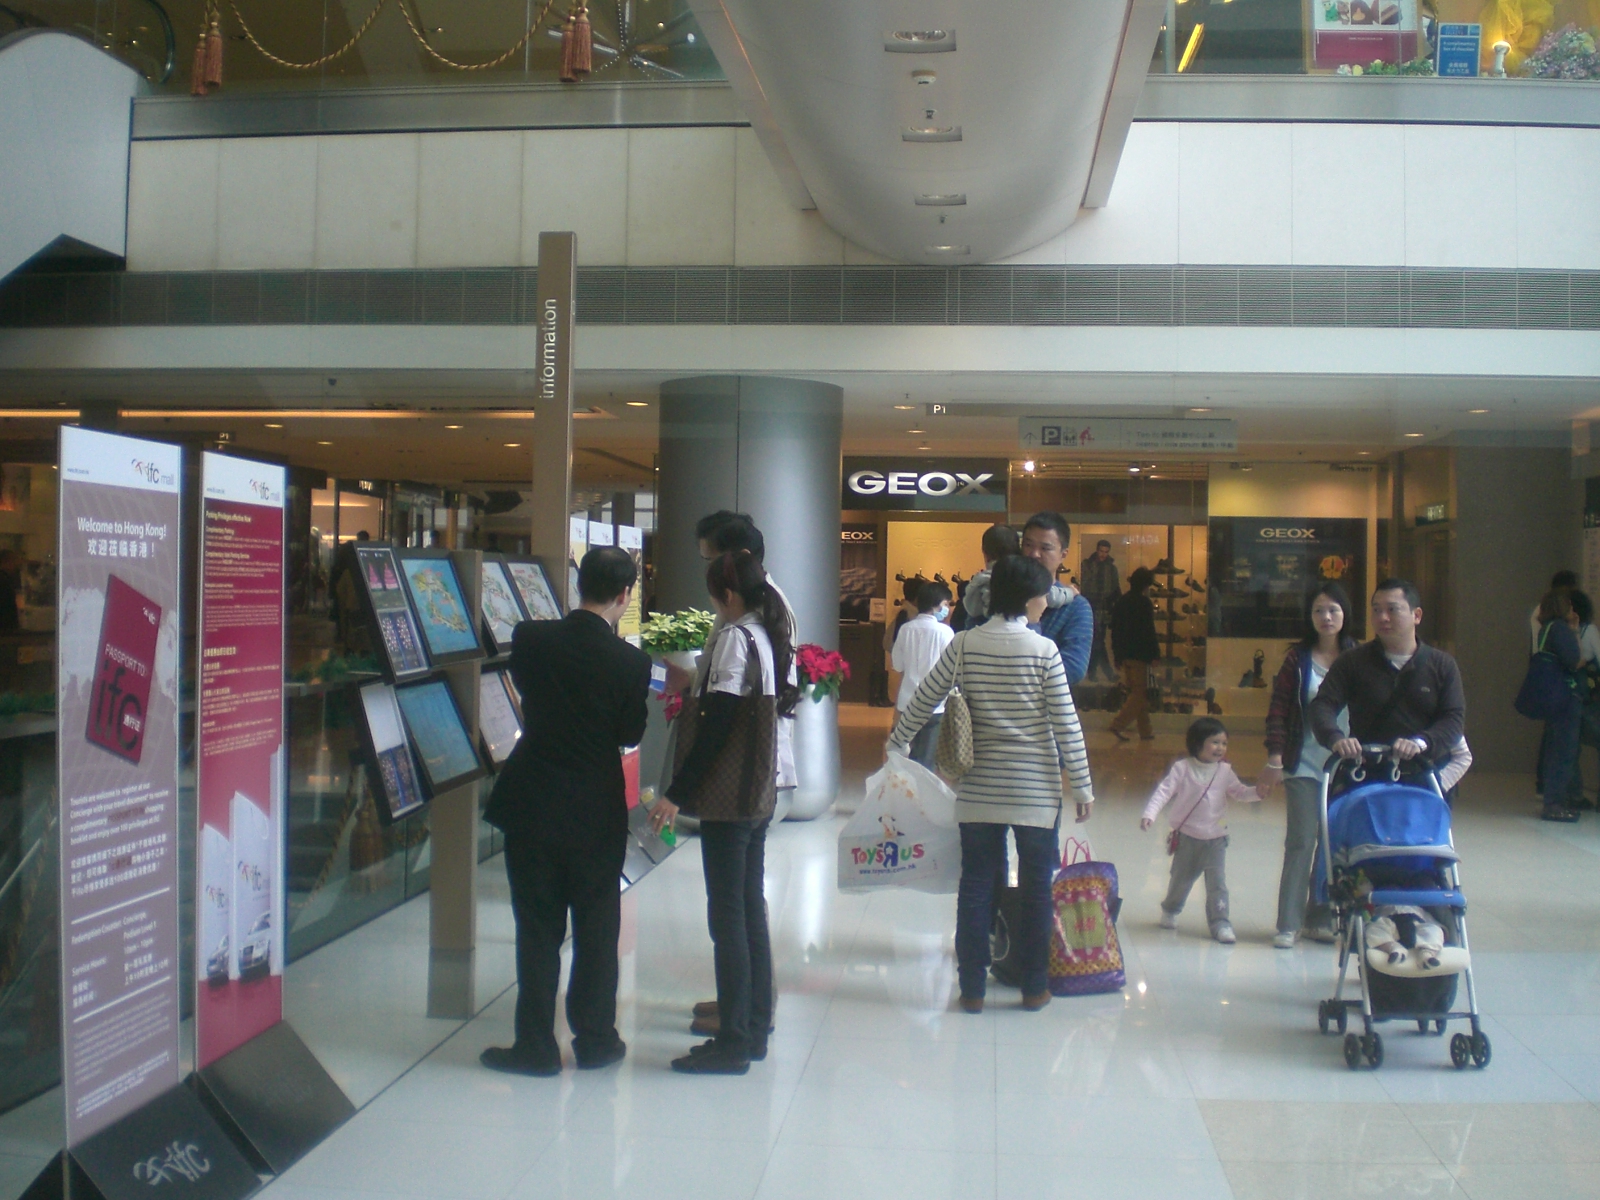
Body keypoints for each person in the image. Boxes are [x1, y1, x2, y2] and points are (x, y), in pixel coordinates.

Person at [887, 555, 1095, 1013]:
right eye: (1043, 593)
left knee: (976, 886)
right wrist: (1082, 785)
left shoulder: (964, 644)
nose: (1046, 601)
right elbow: (1066, 723)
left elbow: (925, 698)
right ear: (1027, 598)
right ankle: (1034, 985)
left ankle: (973, 989)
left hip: (978, 789)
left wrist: (898, 741)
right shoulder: (1044, 652)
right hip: (1035, 793)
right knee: (1039, 888)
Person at [480, 547, 652, 1076]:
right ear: (625, 596)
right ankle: (596, 1039)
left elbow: (529, 694)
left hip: (531, 800)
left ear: (579, 584)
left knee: (536, 928)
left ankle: (534, 1046)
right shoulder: (631, 662)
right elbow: (628, 734)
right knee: (598, 927)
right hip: (596, 810)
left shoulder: (532, 639)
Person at [653, 550, 799, 1074]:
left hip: (730, 794)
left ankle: (734, 1039)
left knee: (728, 918)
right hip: (758, 792)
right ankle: (754, 1025)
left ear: (728, 595)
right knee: (747, 907)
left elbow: (718, 723)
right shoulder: (771, 631)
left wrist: (677, 790)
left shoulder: (737, 638)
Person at [1257, 583, 1357, 949]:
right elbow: (1280, 708)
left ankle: (1320, 918)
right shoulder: (1297, 660)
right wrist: (1275, 756)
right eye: (1318, 610)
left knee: (1333, 844)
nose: (1326, 617)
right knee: (1301, 840)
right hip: (1303, 763)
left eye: (1333, 609)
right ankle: (1288, 922)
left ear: (1345, 614)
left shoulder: (1359, 657)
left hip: (1346, 766)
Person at [1307, 579, 1466, 783]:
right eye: (1376, 610)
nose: (1383, 617)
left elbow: (1453, 719)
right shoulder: (1352, 661)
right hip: (1366, 776)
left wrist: (1421, 742)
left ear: (1416, 615)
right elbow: (1322, 705)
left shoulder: (1442, 665)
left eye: (1392, 609)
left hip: (1423, 777)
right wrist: (1335, 738)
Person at [1140, 717, 1260, 944]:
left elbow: (1239, 792)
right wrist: (1150, 814)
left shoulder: (1224, 771)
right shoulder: (1182, 769)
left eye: (1224, 743)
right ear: (1197, 744)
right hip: (1187, 838)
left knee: (1217, 884)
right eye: (1215, 742)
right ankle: (1172, 908)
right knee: (1181, 879)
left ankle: (1220, 922)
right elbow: (1163, 792)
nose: (1220, 748)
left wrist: (1258, 793)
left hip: (1216, 838)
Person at [1019, 513, 1096, 685]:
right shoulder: (1003, 595)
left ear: (1063, 554)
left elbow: (1073, 670)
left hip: (1044, 709)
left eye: (1045, 548)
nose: (1034, 554)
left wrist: (1032, 623)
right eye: (1028, 545)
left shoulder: (1076, 606)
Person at [1530, 589, 1583, 823]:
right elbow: (1574, 661)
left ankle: (1554, 801)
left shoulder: (1545, 630)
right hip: (1566, 699)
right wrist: (1575, 632)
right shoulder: (1560, 629)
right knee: (1564, 753)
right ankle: (1555, 804)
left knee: (1555, 751)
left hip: (1552, 700)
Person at [891, 580, 954, 769]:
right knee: (927, 760)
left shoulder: (905, 629)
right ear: (939, 604)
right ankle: (922, 795)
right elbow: (951, 668)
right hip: (935, 703)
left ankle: (905, 794)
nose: (949, 609)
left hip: (906, 702)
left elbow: (897, 665)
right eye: (947, 604)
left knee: (904, 757)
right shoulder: (946, 632)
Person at [1108, 566, 1159, 741]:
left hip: (1125, 654)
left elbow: (1115, 630)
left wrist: (1117, 654)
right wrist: (1155, 654)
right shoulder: (1144, 603)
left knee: (1137, 692)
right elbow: (1148, 631)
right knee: (1139, 693)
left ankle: (1146, 731)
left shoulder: (1122, 602)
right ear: (1146, 585)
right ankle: (1118, 724)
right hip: (1140, 654)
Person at [952, 524, 1018, 631]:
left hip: (984, 630)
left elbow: (972, 608)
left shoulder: (981, 580)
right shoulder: (1023, 576)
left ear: (985, 553)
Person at [1080, 539, 1121, 683]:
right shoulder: (1087, 565)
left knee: (1098, 641)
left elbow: (1116, 589)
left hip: (1104, 608)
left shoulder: (1111, 569)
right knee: (1098, 641)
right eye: (1101, 551)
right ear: (1097, 550)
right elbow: (1084, 585)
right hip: (1090, 607)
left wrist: (1115, 608)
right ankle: (1104, 672)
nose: (1103, 555)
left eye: (1106, 552)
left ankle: (1093, 672)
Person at [0, 549, 22, 632]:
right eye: (14, 560)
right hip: (6, 627)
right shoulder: (4, 580)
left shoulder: (5, 578)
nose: (16, 564)